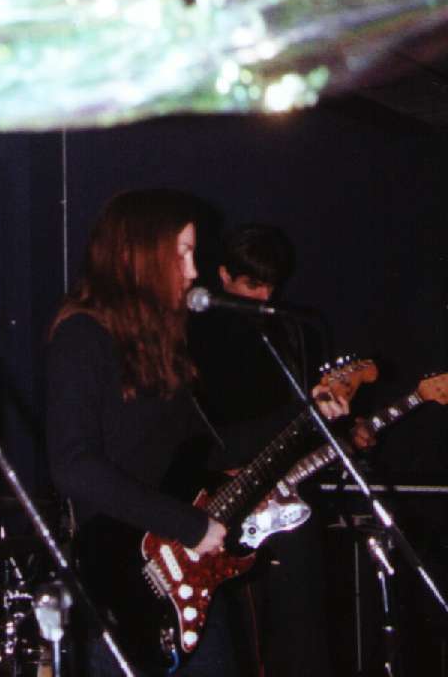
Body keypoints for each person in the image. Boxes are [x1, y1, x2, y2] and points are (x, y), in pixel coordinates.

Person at [45, 193, 347, 677]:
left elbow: (212, 449)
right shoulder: (82, 335)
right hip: (120, 579)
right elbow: (73, 465)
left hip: (186, 572)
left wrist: (306, 415)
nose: (192, 271)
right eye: (182, 254)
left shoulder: (164, 346)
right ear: (140, 257)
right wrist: (188, 524)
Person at [188, 223, 336, 677]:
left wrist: (342, 433)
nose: (265, 296)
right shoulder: (196, 334)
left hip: (285, 497)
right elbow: (192, 432)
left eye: (271, 285)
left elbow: (297, 425)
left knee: (303, 633)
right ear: (223, 276)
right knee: (242, 638)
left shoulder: (287, 333)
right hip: (224, 502)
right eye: (252, 284)